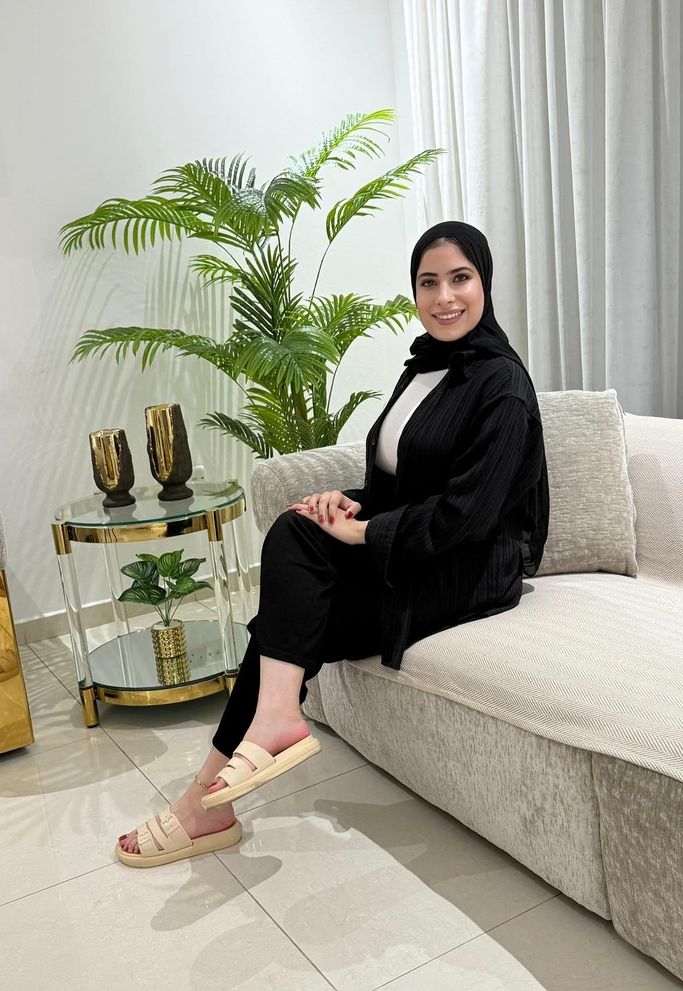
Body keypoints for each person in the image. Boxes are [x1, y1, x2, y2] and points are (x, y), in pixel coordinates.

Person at [115, 221, 550, 867]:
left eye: (460, 278)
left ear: (485, 282)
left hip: (473, 566)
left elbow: (469, 513)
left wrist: (367, 531)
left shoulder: (502, 385)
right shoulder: (423, 368)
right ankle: (258, 740)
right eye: (428, 282)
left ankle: (205, 801)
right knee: (297, 528)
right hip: (418, 547)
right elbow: (403, 482)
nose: (444, 297)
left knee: (279, 627)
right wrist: (353, 503)